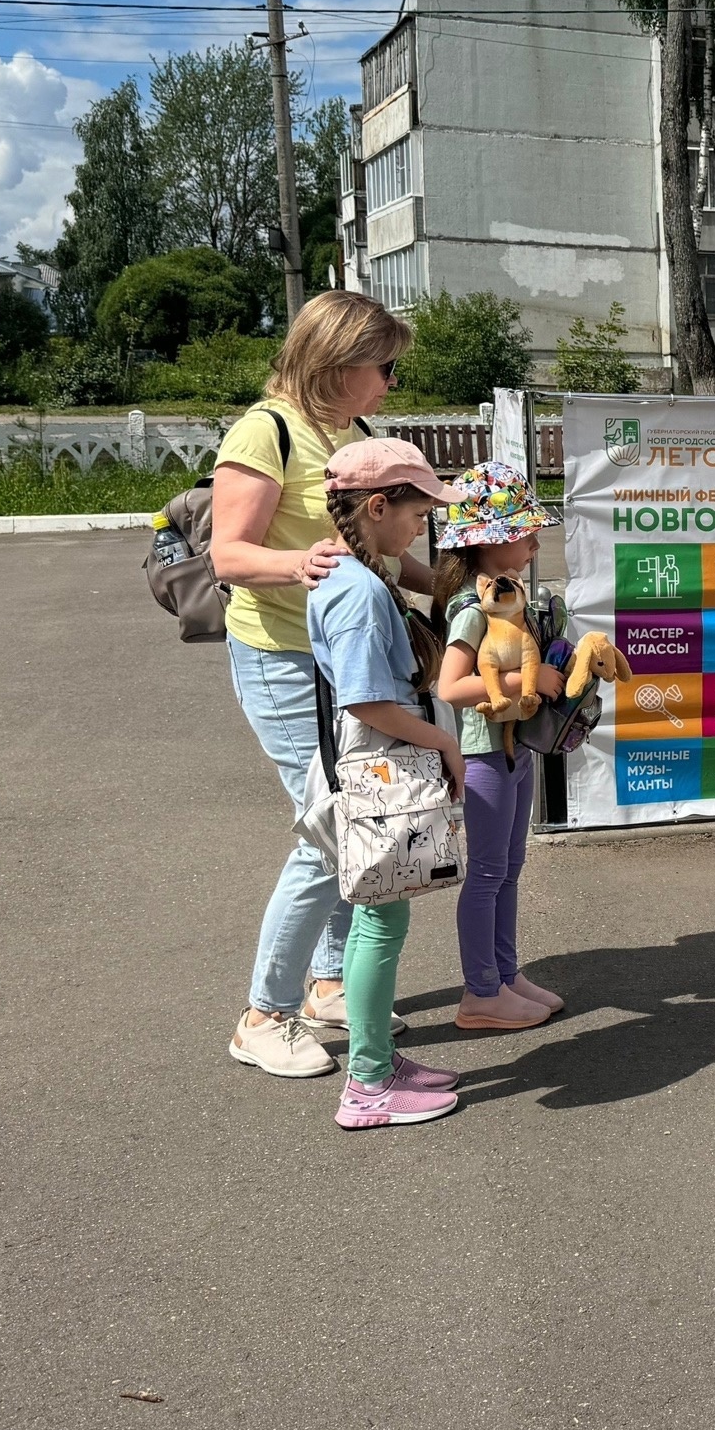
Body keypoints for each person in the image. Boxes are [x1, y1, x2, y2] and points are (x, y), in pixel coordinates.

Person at [208, 291, 422, 1078]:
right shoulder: (264, 432)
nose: (391, 383)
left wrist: (452, 583)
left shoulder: (351, 434)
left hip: (343, 663)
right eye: (384, 366)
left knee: (350, 821)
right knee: (333, 827)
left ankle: (331, 981)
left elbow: (377, 549)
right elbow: (227, 555)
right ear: (338, 362)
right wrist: (295, 565)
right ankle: (263, 1013)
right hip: (284, 659)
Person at [310, 439, 470, 1129]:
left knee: (383, 916)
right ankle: (368, 1084)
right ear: (377, 507)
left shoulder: (353, 576)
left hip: (378, 771)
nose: (420, 533)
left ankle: (376, 1056)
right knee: (379, 920)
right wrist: (444, 745)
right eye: (416, 516)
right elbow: (365, 702)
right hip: (382, 772)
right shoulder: (358, 593)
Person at [431, 461, 574, 1033]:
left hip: (512, 753)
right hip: (484, 754)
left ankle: (505, 976)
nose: (536, 543)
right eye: (525, 534)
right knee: (489, 873)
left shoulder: (505, 597)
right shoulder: (472, 609)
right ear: (490, 541)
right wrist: (525, 682)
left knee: (510, 867)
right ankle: (480, 992)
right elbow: (451, 686)